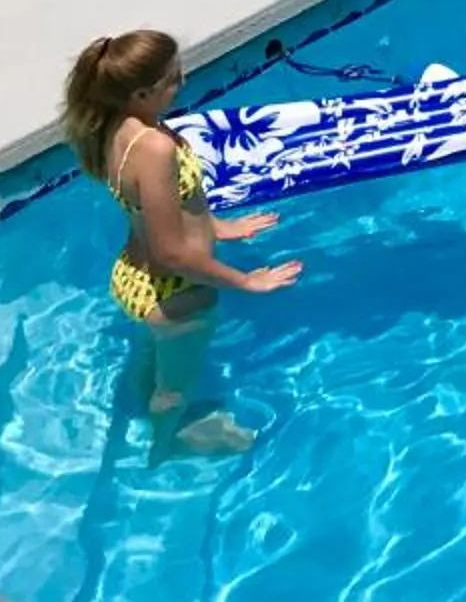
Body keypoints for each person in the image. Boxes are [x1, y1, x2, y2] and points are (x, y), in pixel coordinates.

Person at [61, 31, 302, 457]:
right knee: (174, 389)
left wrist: (218, 226)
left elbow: (161, 205)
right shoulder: (153, 147)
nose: (182, 82)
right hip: (174, 294)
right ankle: (167, 443)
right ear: (141, 91)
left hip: (134, 278)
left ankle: (148, 394)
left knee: (159, 358)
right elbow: (172, 254)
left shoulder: (119, 125)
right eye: (172, 79)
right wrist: (246, 281)